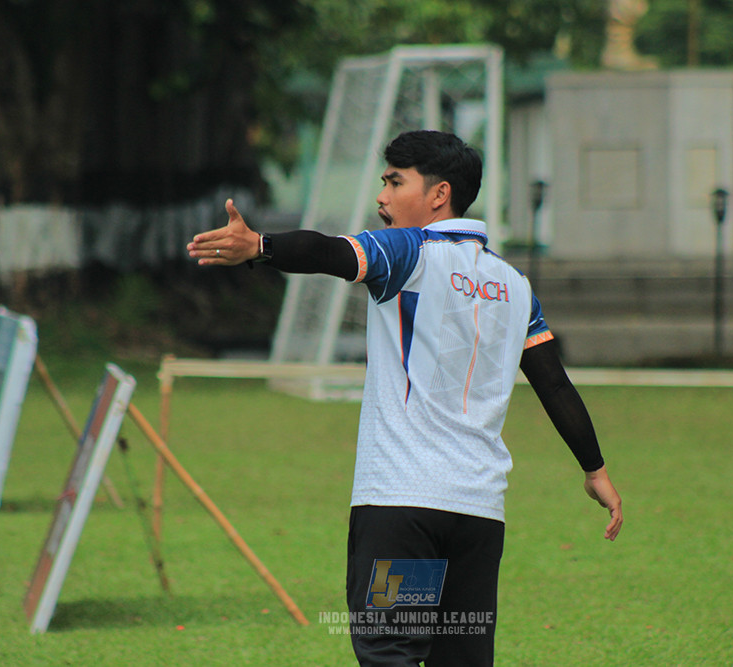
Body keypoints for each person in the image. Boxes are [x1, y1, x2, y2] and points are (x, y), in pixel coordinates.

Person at [187, 130, 622, 666]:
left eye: (395, 182)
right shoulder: (514, 286)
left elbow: (329, 252)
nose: (382, 197)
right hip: (478, 516)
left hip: (403, 510)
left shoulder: (407, 252)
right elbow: (554, 383)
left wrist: (261, 246)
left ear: (439, 195)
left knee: (390, 654)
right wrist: (594, 469)